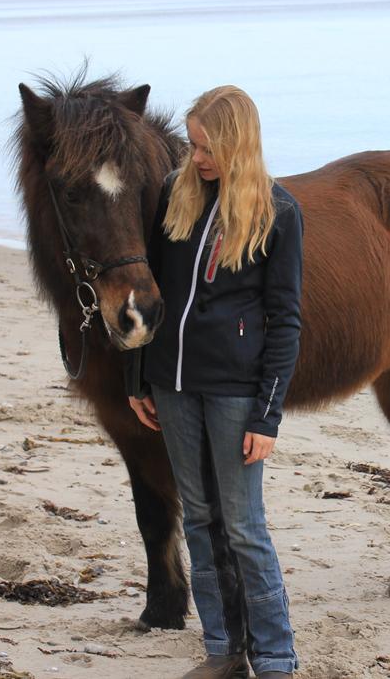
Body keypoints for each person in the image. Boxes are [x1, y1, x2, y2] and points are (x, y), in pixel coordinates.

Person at [127, 85, 302, 679]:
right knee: (200, 520)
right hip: (172, 386)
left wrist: (267, 416)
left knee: (245, 527)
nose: (196, 158)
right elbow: (151, 294)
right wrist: (138, 378)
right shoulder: (175, 199)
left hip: (235, 393)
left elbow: (286, 320)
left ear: (237, 144)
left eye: (207, 148)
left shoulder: (278, 213)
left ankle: (275, 659)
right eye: (193, 145)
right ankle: (224, 651)